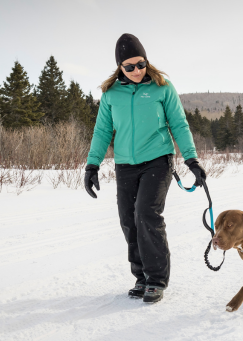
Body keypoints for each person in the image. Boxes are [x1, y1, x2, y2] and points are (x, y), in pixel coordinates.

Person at [83, 33, 206, 303]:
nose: (137, 70)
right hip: (126, 164)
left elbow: (179, 124)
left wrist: (191, 160)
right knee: (128, 219)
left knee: (146, 213)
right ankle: (141, 277)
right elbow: (102, 131)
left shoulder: (162, 87)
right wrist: (92, 165)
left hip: (157, 161)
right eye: (129, 67)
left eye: (141, 64)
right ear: (120, 68)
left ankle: (157, 278)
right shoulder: (111, 94)